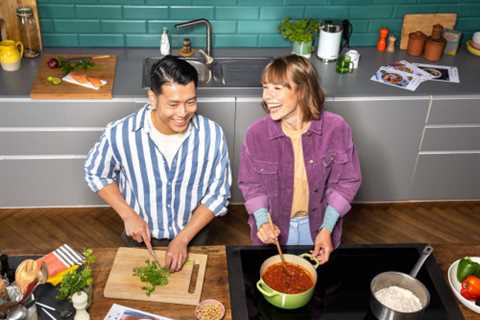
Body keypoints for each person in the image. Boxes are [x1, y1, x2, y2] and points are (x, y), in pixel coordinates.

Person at [84, 55, 231, 272]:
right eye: (173, 104)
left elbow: (218, 195)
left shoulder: (212, 135)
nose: (183, 113)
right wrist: (128, 215)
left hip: (194, 237)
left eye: (191, 102)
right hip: (139, 240)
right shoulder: (121, 133)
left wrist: (183, 239)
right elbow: (96, 173)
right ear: (152, 98)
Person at [238, 55, 361, 264]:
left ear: (302, 90)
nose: (267, 97)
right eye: (265, 87)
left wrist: (327, 229)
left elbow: (347, 181)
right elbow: (251, 185)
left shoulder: (337, 128)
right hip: (273, 230)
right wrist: (262, 222)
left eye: (277, 89)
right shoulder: (255, 134)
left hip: (319, 227)